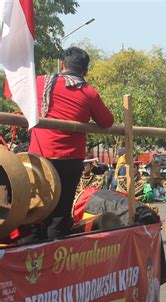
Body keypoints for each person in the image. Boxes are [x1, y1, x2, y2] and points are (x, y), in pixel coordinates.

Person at [28, 47, 114, 238]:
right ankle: (55, 254)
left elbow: (12, 91)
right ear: (85, 72)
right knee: (60, 212)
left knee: (34, 206)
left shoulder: (39, 82)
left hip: (38, 157)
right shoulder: (88, 92)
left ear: (62, 64)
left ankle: (29, 251)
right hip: (69, 160)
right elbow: (107, 122)